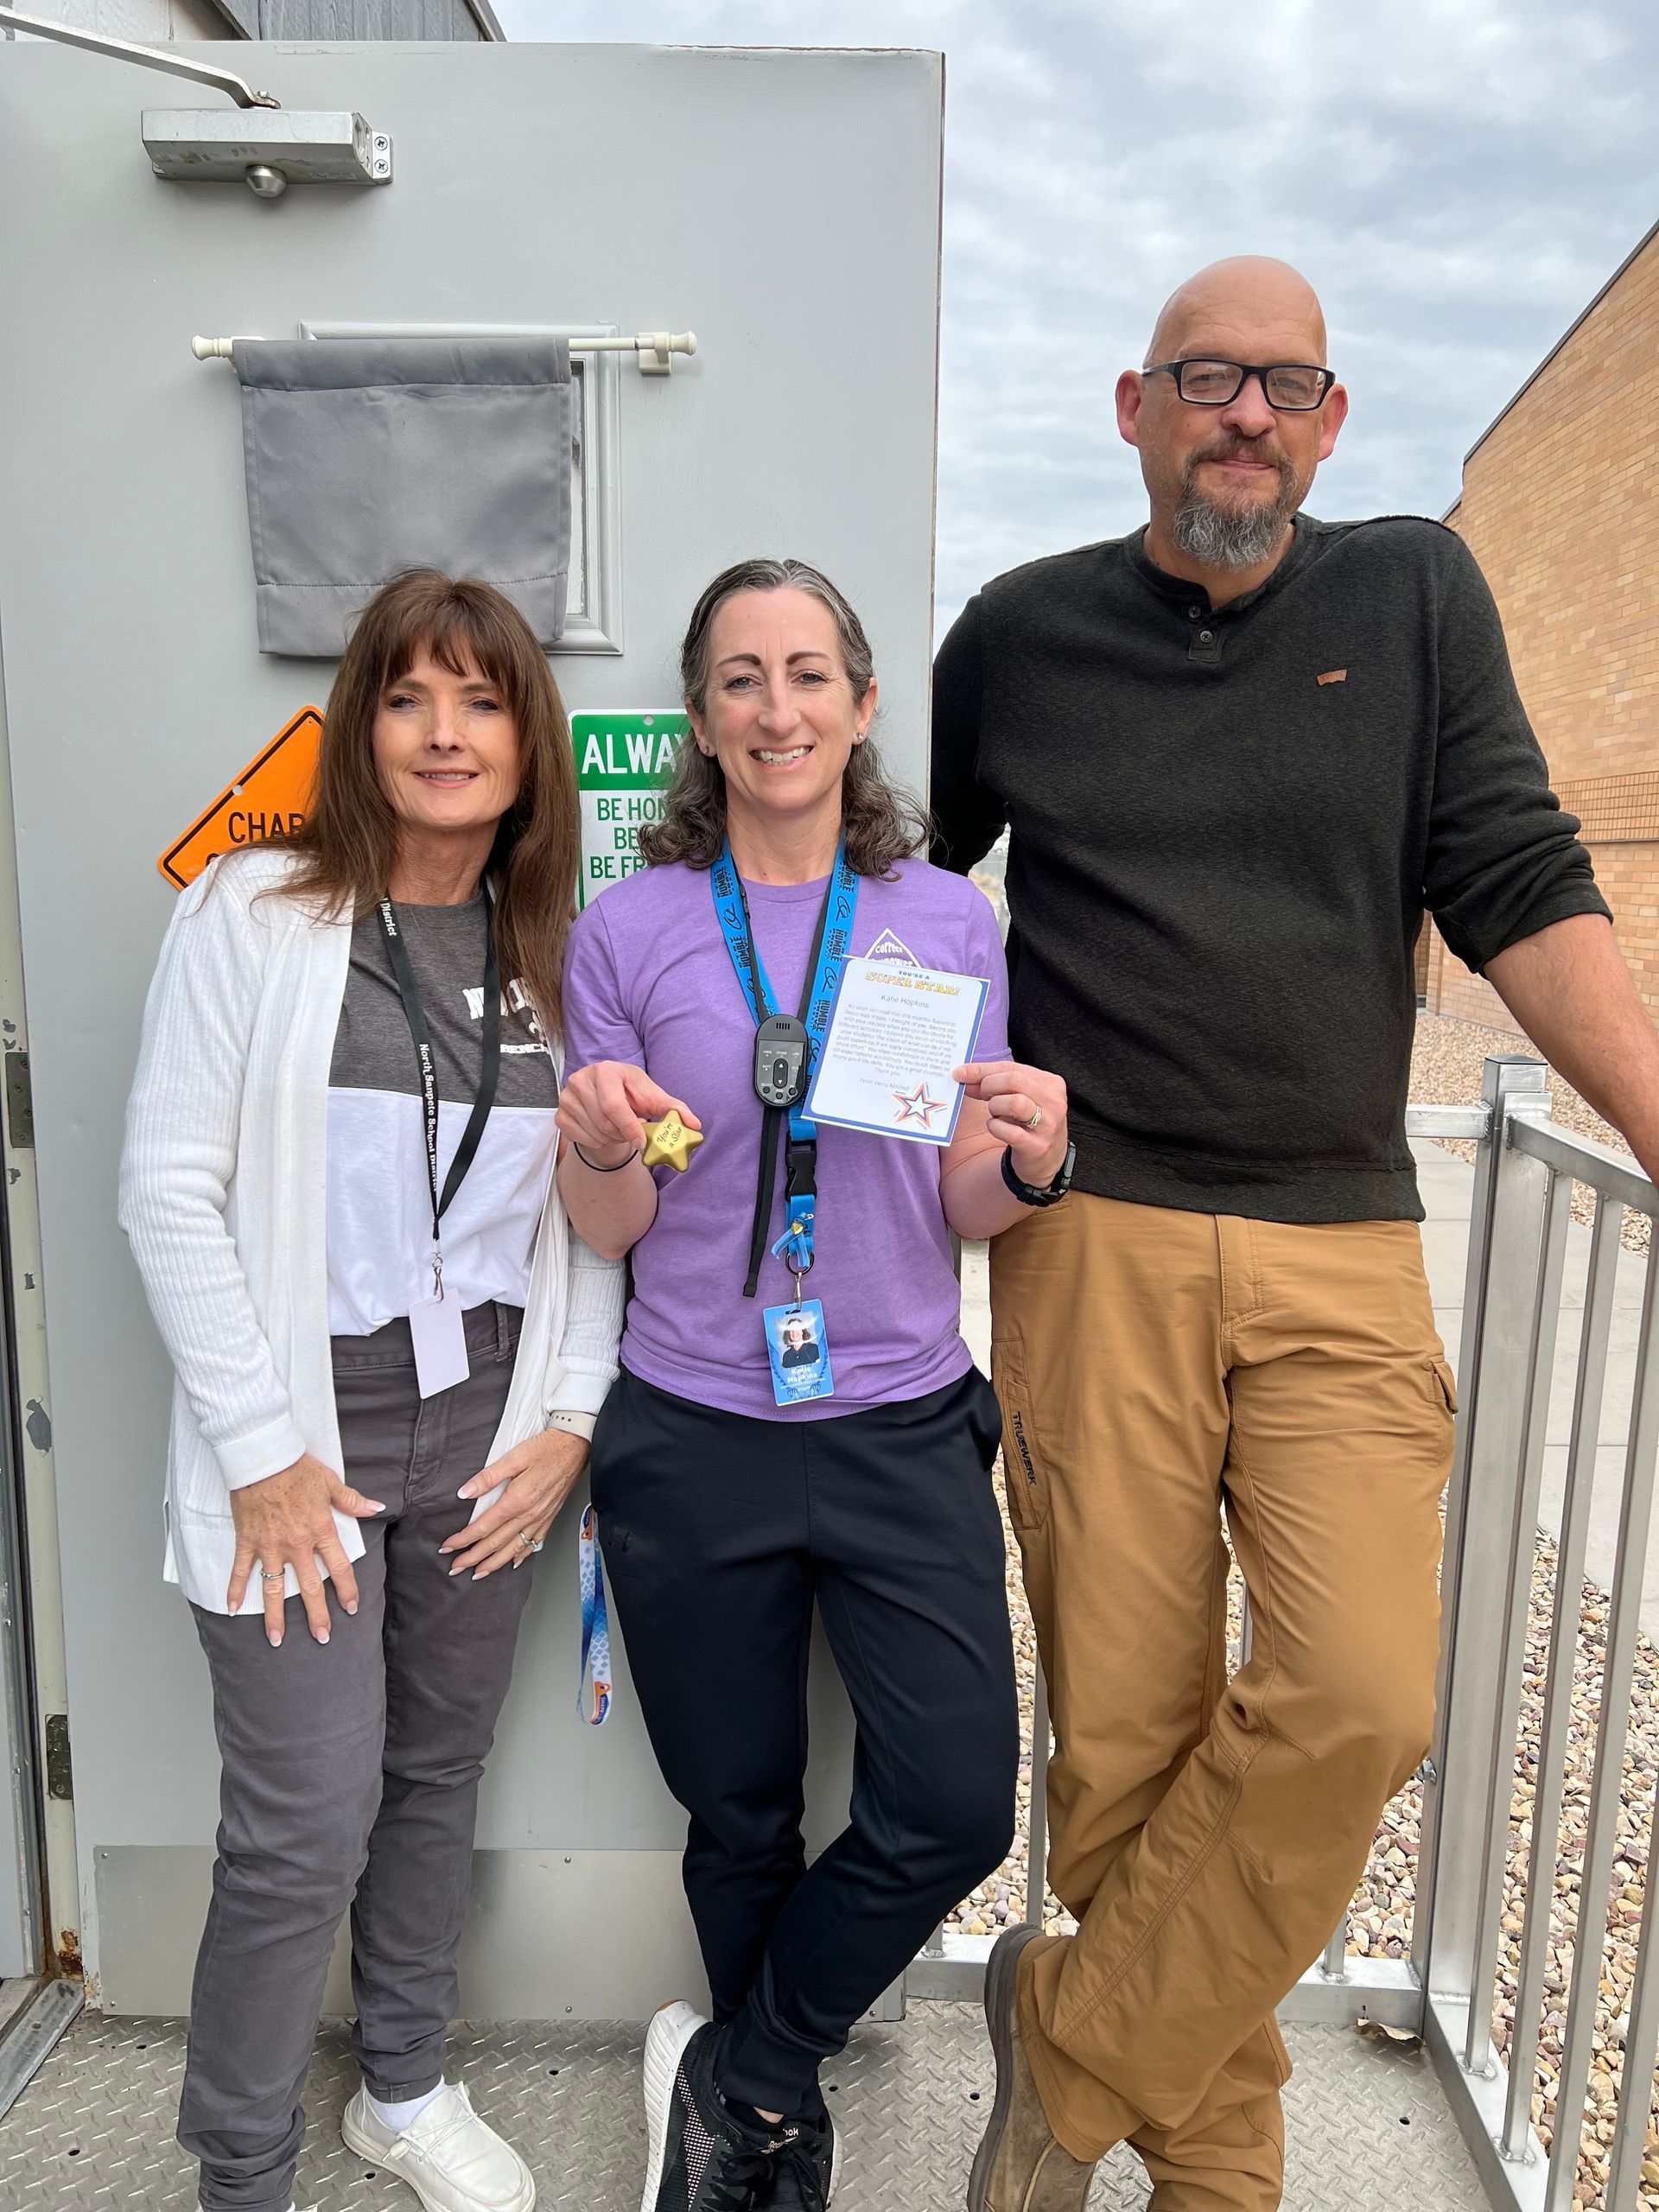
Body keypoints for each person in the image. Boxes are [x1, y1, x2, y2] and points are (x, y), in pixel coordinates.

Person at [931, 257, 1659, 2212]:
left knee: (1359, 1695)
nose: (1247, 412)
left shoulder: (1416, 594)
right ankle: (1216, 2182)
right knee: (1131, 1746)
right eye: (1207, 378)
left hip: (1341, 1232)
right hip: (1095, 1246)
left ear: (1331, 421)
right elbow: (901, 898)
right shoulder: (1016, 636)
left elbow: (1514, 868)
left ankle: (1070, 2058)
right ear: (1134, 406)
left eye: (1287, 383)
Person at [556, 557, 1074, 2212]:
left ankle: (744, 2071)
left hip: (900, 1417)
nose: (775, 709)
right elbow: (612, 1220)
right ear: (700, 725)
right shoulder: (629, 929)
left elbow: (956, 1205)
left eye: (807, 674)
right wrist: (598, 1148)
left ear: (860, 704)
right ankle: (772, 2136)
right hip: (693, 1421)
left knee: (947, 1802)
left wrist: (1033, 1164)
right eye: (737, 680)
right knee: (741, 1805)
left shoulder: (941, 920)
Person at [120, 570, 624, 2212]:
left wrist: (566, 1419)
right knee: (301, 1826)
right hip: (307, 1435)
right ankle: (240, 2170)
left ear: (529, 742)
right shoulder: (258, 912)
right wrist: (261, 1454)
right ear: (360, 726)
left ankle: (400, 2089)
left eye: (482, 701)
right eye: (409, 696)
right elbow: (164, 1189)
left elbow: (592, 1211)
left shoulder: (555, 944)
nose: (445, 733)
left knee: (433, 1780)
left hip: (482, 1422)